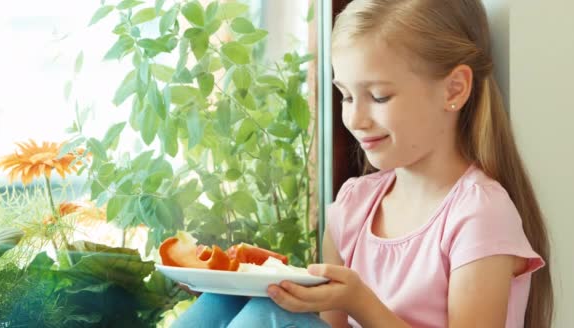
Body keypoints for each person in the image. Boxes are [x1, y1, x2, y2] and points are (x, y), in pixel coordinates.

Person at [172, 0, 553, 327]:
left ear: (453, 89)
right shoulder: (354, 205)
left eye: (378, 96)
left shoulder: (478, 214)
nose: (355, 119)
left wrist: (360, 303)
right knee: (220, 301)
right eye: (346, 96)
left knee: (263, 318)